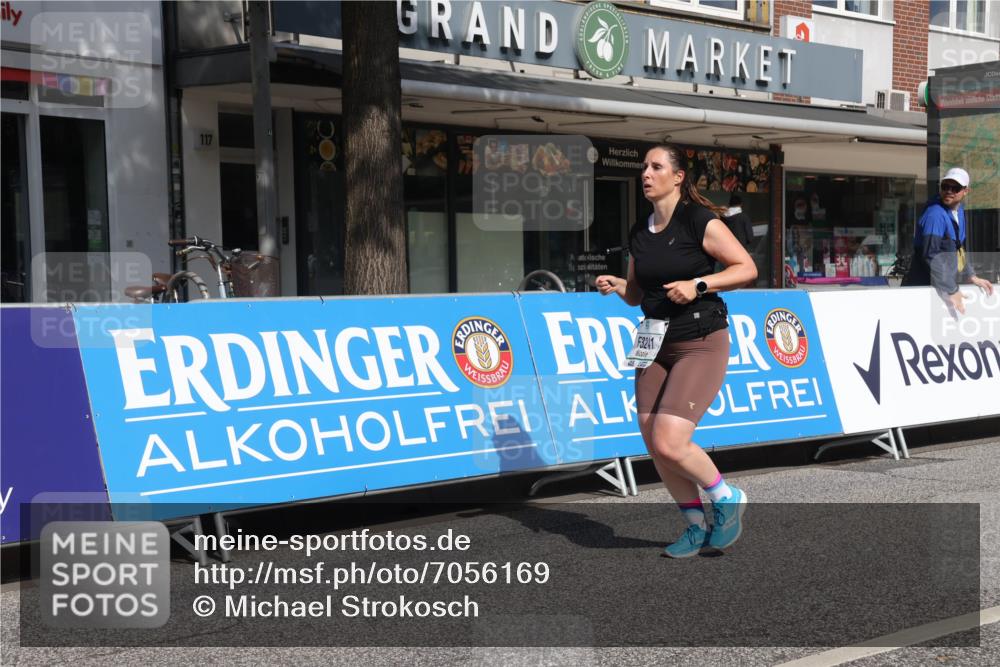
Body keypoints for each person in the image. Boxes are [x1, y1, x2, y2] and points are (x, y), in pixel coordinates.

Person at [595, 144, 758, 558]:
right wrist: (619, 286)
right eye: (644, 167)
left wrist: (698, 285)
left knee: (670, 441)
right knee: (654, 441)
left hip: (699, 340)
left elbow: (746, 268)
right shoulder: (640, 230)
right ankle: (695, 526)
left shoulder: (698, 220)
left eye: (656, 167)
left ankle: (726, 497)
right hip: (653, 341)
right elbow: (637, 295)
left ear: (678, 177)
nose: (646, 174)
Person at [903, 167, 994, 312]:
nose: (949, 191)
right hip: (923, 289)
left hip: (940, 289)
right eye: (945, 186)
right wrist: (952, 289)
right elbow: (930, 255)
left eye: (955, 188)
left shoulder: (959, 211)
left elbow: (958, 248)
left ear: (965, 191)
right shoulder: (935, 214)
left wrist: (971, 275)